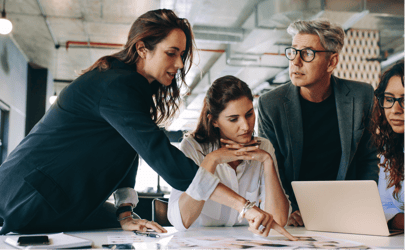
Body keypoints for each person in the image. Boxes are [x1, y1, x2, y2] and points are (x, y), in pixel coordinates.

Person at [0, 9, 286, 237]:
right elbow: (163, 157)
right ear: (142, 49)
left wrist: (124, 213)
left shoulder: (132, 89)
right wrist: (244, 206)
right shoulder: (114, 86)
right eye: (171, 53)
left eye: (182, 55)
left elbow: (127, 151)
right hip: (29, 196)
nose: (178, 64)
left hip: (63, 202)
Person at [257, 19, 379, 227]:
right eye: (293, 52)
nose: (296, 62)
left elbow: (367, 158)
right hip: (295, 214)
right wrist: (291, 208)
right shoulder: (271, 104)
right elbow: (272, 167)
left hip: (346, 211)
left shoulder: (361, 96)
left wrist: (363, 205)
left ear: (331, 62)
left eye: (307, 53)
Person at [168, 76, 292, 238]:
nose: (246, 126)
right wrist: (211, 161)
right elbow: (180, 221)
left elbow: (279, 220)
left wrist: (267, 161)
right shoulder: (193, 148)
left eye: (249, 114)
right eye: (233, 119)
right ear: (214, 121)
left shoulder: (264, 148)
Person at [370, 61, 404, 231]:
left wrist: (393, 219)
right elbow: (384, 204)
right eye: (389, 99)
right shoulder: (390, 152)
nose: (396, 109)